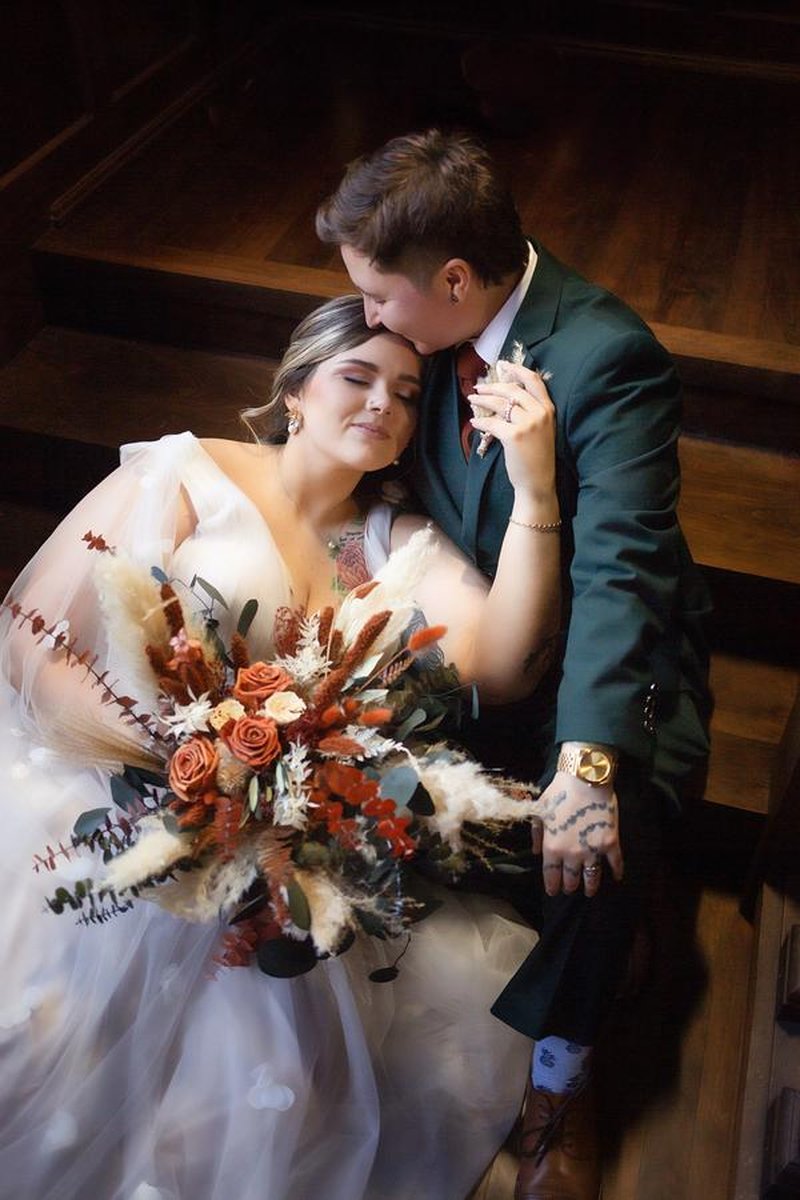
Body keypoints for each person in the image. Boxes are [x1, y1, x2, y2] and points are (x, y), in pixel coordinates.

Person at [0, 295, 564, 1200]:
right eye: (358, 377)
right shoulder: (188, 471)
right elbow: (33, 642)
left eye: (410, 394)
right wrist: (179, 767)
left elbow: (503, 666)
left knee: (271, 1074)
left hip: (267, 834)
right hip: (99, 778)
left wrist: (536, 489)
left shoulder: (382, 542)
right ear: (296, 390)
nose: (385, 403)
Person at [317, 128, 713, 1200]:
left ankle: (558, 1085)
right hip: (480, 638)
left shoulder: (605, 359)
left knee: (596, 837)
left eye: (379, 294)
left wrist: (584, 765)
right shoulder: (419, 340)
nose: (367, 316)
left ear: (452, 278)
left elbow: (624, 575)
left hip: (604, 663)